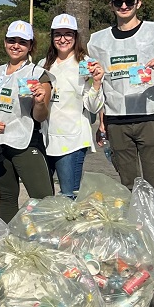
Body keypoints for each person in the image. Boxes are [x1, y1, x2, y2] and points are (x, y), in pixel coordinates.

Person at [87, 0, 154, 206]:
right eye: (119, 2)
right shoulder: (98, 40)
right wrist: (102, 121)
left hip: (150, 118)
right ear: (111, 5)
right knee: (127, 187)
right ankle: (135, 234)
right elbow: (101, 82)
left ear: (139, 3)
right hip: (116, 121)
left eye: (129, 1)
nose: (124, 6)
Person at [0, 20, 53, 220]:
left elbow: (41, 116)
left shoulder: (39, 75)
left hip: (25, 143)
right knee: (7, 196)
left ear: (31, 46)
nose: (16, 45)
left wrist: (38, 102)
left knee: (43, 199)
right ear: (4, 42)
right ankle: (8, 243)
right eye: (12, 40)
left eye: (22, 41)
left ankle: (45, 242)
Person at [41, 14, 106, 198]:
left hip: (72, 141)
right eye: (58, 34)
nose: (63, 39)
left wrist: (97, 82)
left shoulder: (86, 64)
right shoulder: (44, 65)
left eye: (68, 34)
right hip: (46, 139)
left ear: (76, 37)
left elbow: (93, 107)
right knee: (45, 196)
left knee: (69, 195)